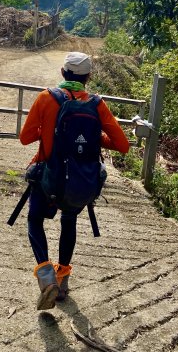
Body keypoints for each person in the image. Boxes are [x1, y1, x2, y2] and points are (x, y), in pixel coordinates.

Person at [19, 51, 130, 310]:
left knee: (35, 220)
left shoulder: (47, 98)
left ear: (62, 73)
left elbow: (25, 138)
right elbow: (122, 145)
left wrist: (47, 131)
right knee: (69, 221)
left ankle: (47, 280)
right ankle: (63, 281)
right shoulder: (97, 104)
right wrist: (92, 139)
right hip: (80, 181)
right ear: (88, 77)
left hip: (49, 177)